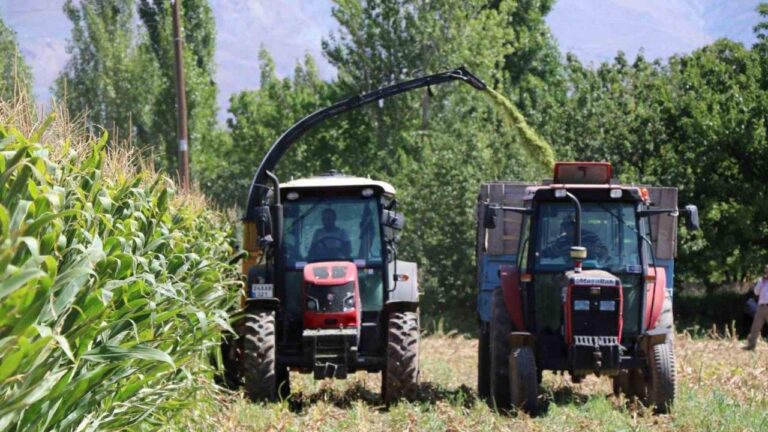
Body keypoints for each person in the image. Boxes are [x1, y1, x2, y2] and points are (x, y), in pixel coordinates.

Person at [541, 217, 608, 262]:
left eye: (571, 225)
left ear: (577, 225)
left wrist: (601, 261)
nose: (568, 228)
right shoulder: (561, 241)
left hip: (591, 270)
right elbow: (548, 253)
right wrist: (537, 255)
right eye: (565, 226)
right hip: (568, 270)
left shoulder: (591, 237)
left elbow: (604, 251)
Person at [744, 264, 768, 350]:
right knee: (755, 327)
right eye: (766, 270)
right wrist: (760, 282)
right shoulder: (762, 281)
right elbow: (756, 292)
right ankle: (751, 346)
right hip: (761, 307)